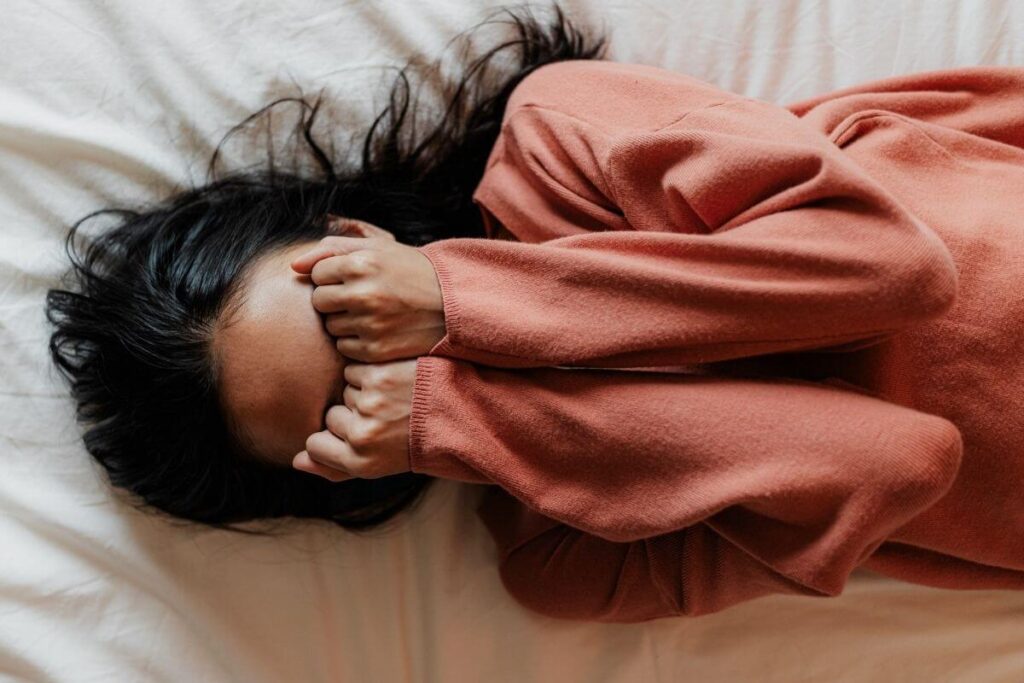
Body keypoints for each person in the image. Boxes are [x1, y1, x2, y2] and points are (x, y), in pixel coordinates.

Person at [46, 2, 1024, 622]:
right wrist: (473, 411)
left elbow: (890, 269)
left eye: (342, 309)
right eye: (361, 392)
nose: (392, 355)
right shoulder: (565, 557)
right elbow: (898, 460)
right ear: (350, 468)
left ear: (345, 233)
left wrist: (465, 300)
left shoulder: (558, 142)